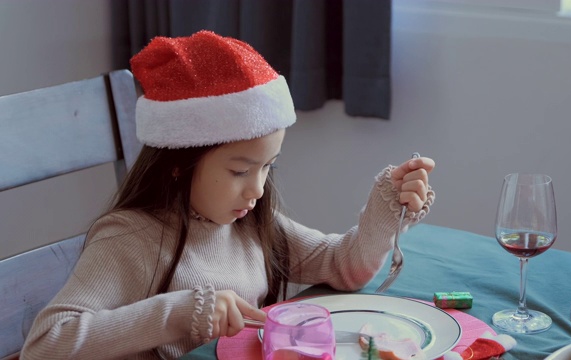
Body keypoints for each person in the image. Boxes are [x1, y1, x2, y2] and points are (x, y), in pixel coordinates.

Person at [21, 31, 435, 359]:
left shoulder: (250, 222)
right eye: (240, 170)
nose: (257, 188)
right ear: (179, 164)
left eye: (268, 167)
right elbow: (45, 345)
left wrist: (386, 208)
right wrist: (181, 312)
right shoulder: (130, 239)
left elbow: (343, 267)